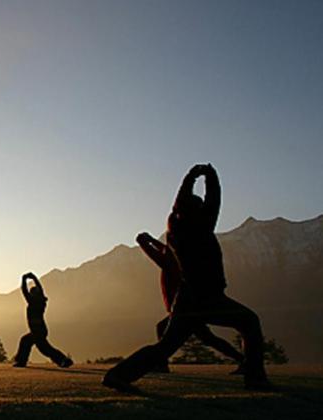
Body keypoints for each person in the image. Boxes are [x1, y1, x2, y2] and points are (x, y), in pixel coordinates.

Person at [103, 164, 271, 391]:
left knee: (165, 346)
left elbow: (185, 203)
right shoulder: (202, 227)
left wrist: (191, 177)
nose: (205, 207)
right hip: (208, 298)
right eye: (200, 206)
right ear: (196, 211)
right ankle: (255, 377)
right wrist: (209, 176)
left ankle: (118, 375)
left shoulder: (175, 232)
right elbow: (214, 200)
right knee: (250, 322)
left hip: (186, 299)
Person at [135, 232, 244, 373]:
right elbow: (165, 250)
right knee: (207, 338)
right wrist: (151, 240)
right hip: (190, 306)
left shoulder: (171, 262)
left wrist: (143, 243)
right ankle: (242, 359)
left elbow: (159, 257)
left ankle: (161, 365)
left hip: (185, 308)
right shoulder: (179, 257)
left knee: (167, 330)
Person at [12, 272, 73, 368]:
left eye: (32, 292)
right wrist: (34, 279)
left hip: (37, 330)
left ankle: (63, 360)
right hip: (39, 329)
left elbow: (24, 290)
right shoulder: (41, 302)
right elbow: (40, 290)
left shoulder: (33, 302)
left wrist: (24, 279)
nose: (30, 293)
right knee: (26, 341)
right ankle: (21, 361)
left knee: (44, 348)